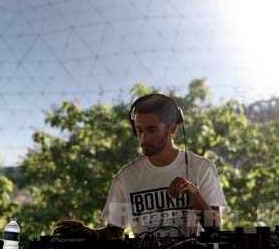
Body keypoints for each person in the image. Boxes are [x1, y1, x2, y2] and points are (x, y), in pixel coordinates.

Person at [54, 93, 227, 240]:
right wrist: (89, 233)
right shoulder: (126, 177)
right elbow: (114, 233)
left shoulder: (202, 168)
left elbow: (215, 229)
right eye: (139, 130)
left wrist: (194, 193)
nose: (143, 138)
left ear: (171, 128)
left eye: (151, 130)